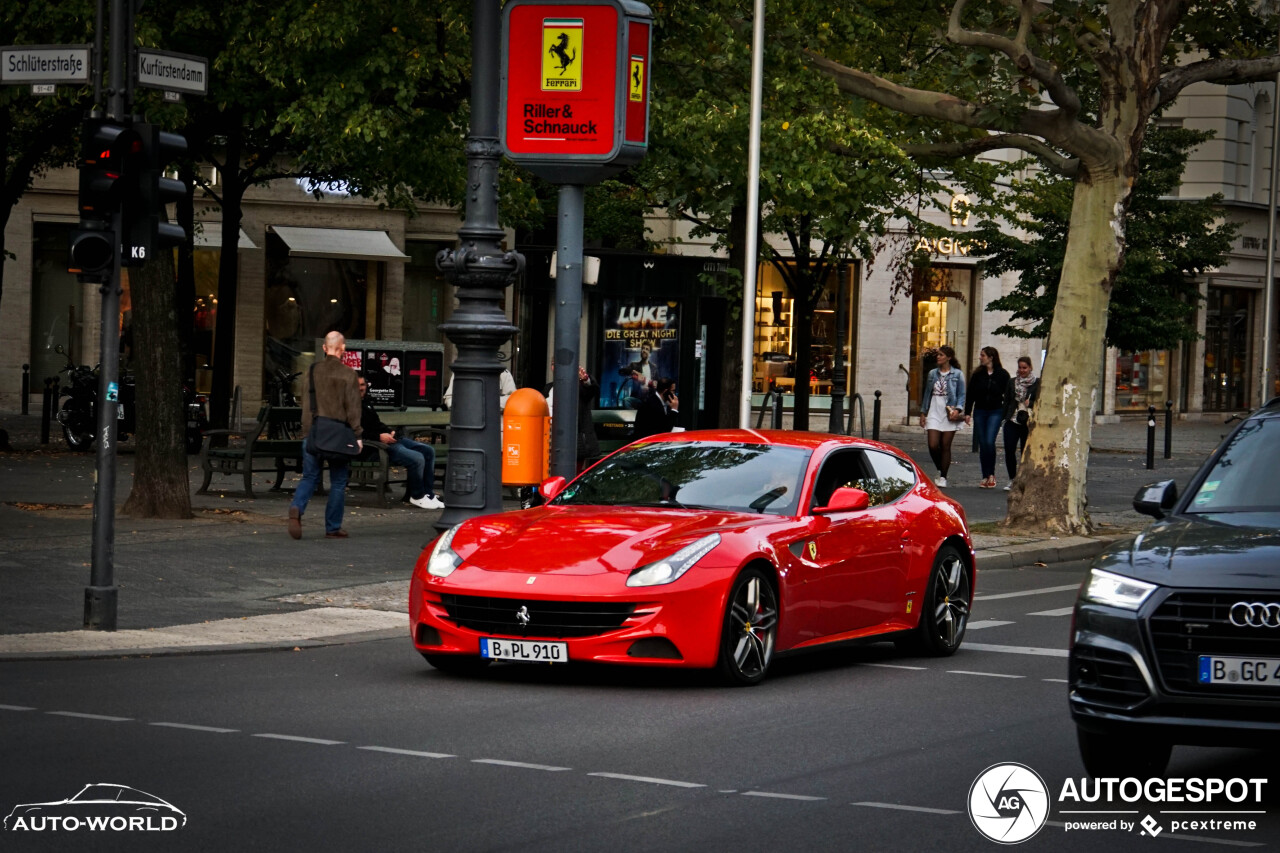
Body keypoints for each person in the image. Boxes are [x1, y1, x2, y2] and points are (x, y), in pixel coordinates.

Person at [289, 331, 363, 540]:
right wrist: (357, 435)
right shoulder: (349, 374)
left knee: (310, 476)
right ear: (343, 349)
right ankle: (333, 527)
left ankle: (296, 507)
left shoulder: (311, 371)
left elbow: (305, 405)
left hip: (314, 432)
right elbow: (353, 409)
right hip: (338, 435)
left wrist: (306, 433)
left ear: (324, 348)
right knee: (338, 482)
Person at [358, 376, 443, 510]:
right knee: (416, 458)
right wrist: (379, 436)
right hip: (374, 447)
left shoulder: (366, 402)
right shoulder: (348, 405)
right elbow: (355, 431)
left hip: (387, 441)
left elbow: (377, 424)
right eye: (356, 385)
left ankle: (428, 494)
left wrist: (389, 431)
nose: (360, 388)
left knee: (427, 451)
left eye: (362, 384)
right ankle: (417, 496)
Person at [918, 346, 965, 488]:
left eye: (941, 355)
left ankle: (943, 476)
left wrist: (958, 409)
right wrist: (923, 412)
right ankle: (940, 468)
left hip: (949, 411)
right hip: (934, 409)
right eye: (937, 355)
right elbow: (927, 393)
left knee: (945, 445)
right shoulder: (932, 373)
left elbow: (962, 394)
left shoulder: (957, 374)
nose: (938, 357)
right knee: (933, 445)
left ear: (949, 357)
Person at [965, 346, 1011, 488]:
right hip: (980, 410)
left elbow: (1008, 394)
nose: (980, 357)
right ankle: (985, 475)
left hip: (995, 411)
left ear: (991, 357)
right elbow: (971, 394)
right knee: (983, 443)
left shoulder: (1002, 374)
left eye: (983, 355)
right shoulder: (978, 374)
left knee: (990, 441)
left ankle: (991, 474)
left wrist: (1006, 411)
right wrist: (967, 412)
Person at [1001, 356, 1040, 491]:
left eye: (1025, 367)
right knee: (1009, 449)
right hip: (1012, 419)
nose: (1022, 370)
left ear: (1030, 368)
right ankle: (1012, 478)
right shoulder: (1012, 382)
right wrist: (1003, 418)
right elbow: (1006, 400)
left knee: (1025, 451)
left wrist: (1032, 403)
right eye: (1020, 367)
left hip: (1028, 421)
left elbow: (1042, 401)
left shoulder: (1037, 383)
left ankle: (1024, 479)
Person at [442, 368, 517, 410]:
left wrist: (487, 403)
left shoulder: (503, 372)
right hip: (467, 422)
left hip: (494, 424)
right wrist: (468, 403)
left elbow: (512, 399)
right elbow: (449, 399)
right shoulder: (460, 371)